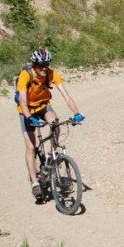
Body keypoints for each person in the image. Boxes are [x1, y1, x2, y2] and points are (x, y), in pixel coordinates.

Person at [17, 48, 84, 200]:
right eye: (41, 65)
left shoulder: (51, 74)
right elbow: (22, 99)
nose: (44, 68)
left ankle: (49, 156)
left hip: (43, 106)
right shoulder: (25, 75)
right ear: (34, 65)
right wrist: (29, 117)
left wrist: (76, 113)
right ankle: (35, 184)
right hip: (26, 110)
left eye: (46, 64)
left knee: (56, 124)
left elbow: (66, 95)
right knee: (31, 147)